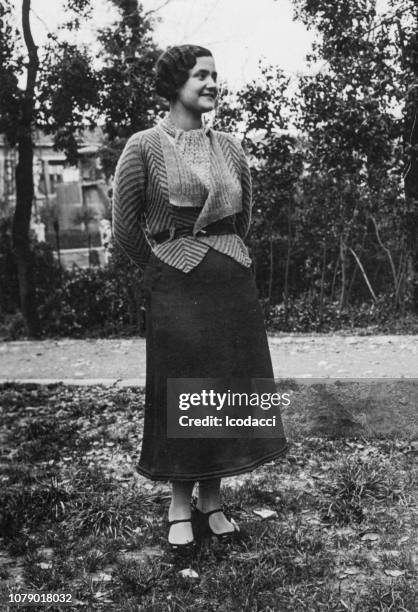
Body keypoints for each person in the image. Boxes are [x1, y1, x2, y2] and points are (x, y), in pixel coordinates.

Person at [112, 44, 288, 550]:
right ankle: (178, 504)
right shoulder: (143, 145)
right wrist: (165, 266)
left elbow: (243, 215)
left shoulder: (229, 146)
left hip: (232, 284)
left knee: (224, 390)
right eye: (201, 75)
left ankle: (212, 501)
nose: (212, 83)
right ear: (175, 83)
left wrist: (223, 253)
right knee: (185, 390)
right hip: (177, 288)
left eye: (215, 75)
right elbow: (125, 230)